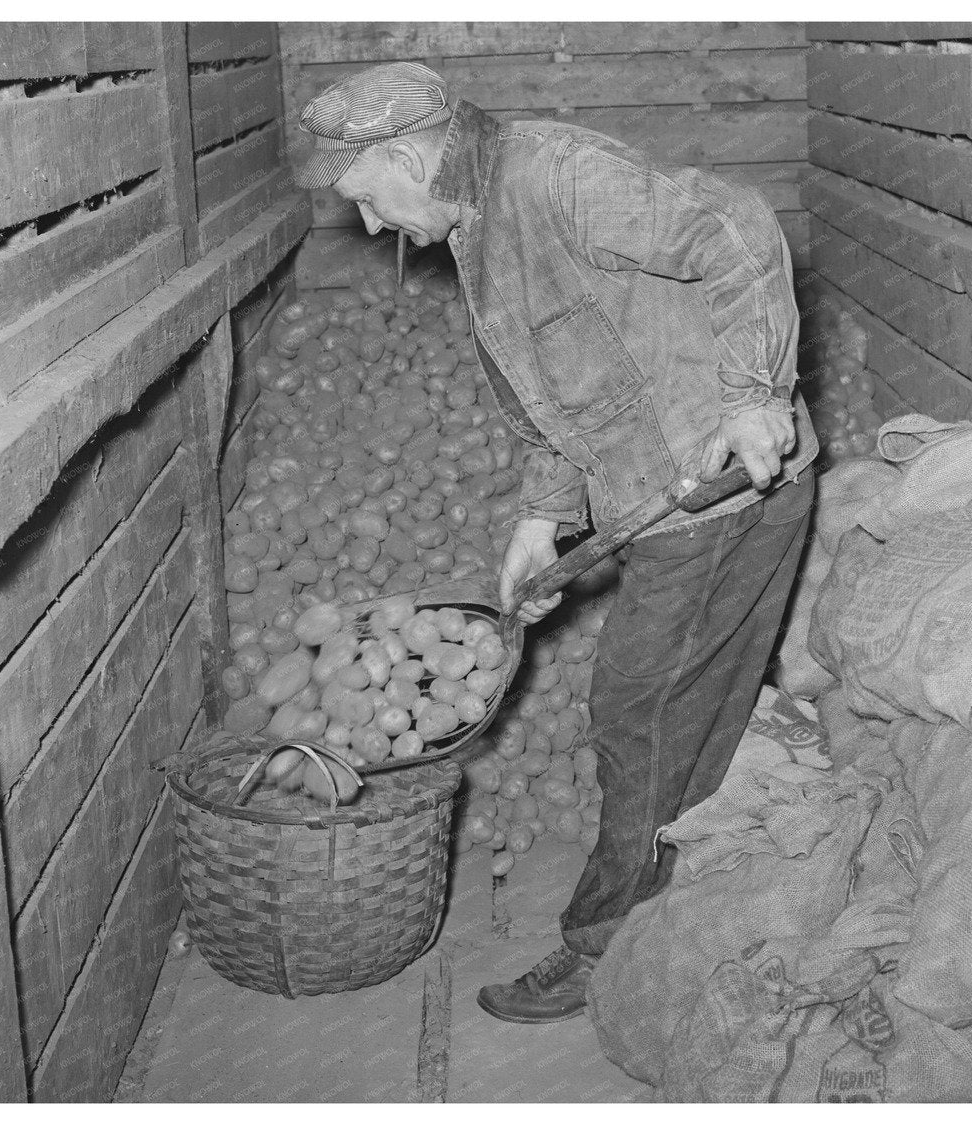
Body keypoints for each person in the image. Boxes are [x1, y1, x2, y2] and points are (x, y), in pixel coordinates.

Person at [294, 62, 818, 1023]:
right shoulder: (478, 228)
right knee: (678, 713)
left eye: (368, 200)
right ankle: (689, 899)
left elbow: (734, 226)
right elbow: (557, 394)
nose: (369, 228)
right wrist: (541, 521)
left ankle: (604, 945)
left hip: (723, 492)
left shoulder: (554, 176)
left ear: (409, 158)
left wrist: (754, 395)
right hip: (654, 496)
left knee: (637, 708)